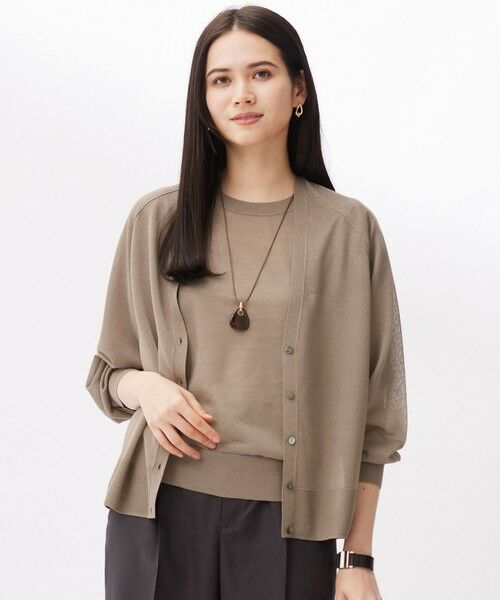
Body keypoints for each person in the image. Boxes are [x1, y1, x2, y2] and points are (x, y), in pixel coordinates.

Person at [85, 5, 407, 600]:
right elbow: (107, 374)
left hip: (290, 527)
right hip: (158, 512)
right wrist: (146, 388)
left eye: (261, 73)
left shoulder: (346, 231)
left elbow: (378, 418)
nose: (242, 94)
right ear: (203, 100)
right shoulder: (157, 220)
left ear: (299, 89)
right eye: (221, 79)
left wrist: (357, 558)